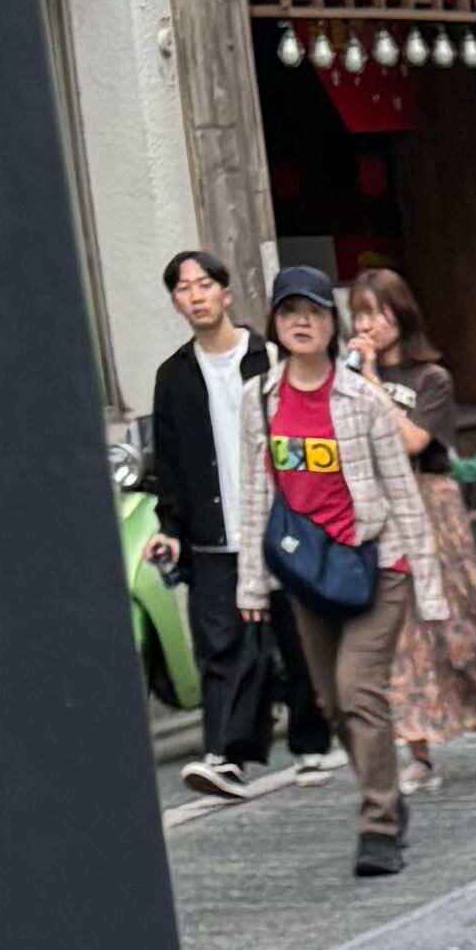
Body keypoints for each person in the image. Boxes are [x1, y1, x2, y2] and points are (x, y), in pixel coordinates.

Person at [247, 266, 441, 879]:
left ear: (332, 325)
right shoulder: (260, 399)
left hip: (376, 562)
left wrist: (428, 584)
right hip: (309, 573)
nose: (302, 322)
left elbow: (402, 491)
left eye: (313, 311)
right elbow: (255, 493)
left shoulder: (362, 399)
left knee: (359, 689)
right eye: (289, 312)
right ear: (275, 324)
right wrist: (251, 584)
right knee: (332, 703)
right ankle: (387, 796)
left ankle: (378, 824)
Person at [344, 264, 476, 781]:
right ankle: (419, 753)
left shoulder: (431, 379)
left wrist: (370, 382)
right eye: (359, 314)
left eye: (377, 312)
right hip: (380, 508)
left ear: (401, 314)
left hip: (432, 504)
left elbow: (413, 441)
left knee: (462, 622)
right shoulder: (348, 382)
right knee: (398, 632)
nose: (367, 325)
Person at [148, 245, 285, 800]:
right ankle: (222, 756)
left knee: (290, 640)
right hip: (213, 537)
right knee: (220, 647)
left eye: (204, 285)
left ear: (226, 294)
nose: (195, 296)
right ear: (176, 304)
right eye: (183, 289)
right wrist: (171, 529)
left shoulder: (268, 357)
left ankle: (311, 741)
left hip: (279, 527)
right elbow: (169, 464)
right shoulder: (173, 376)